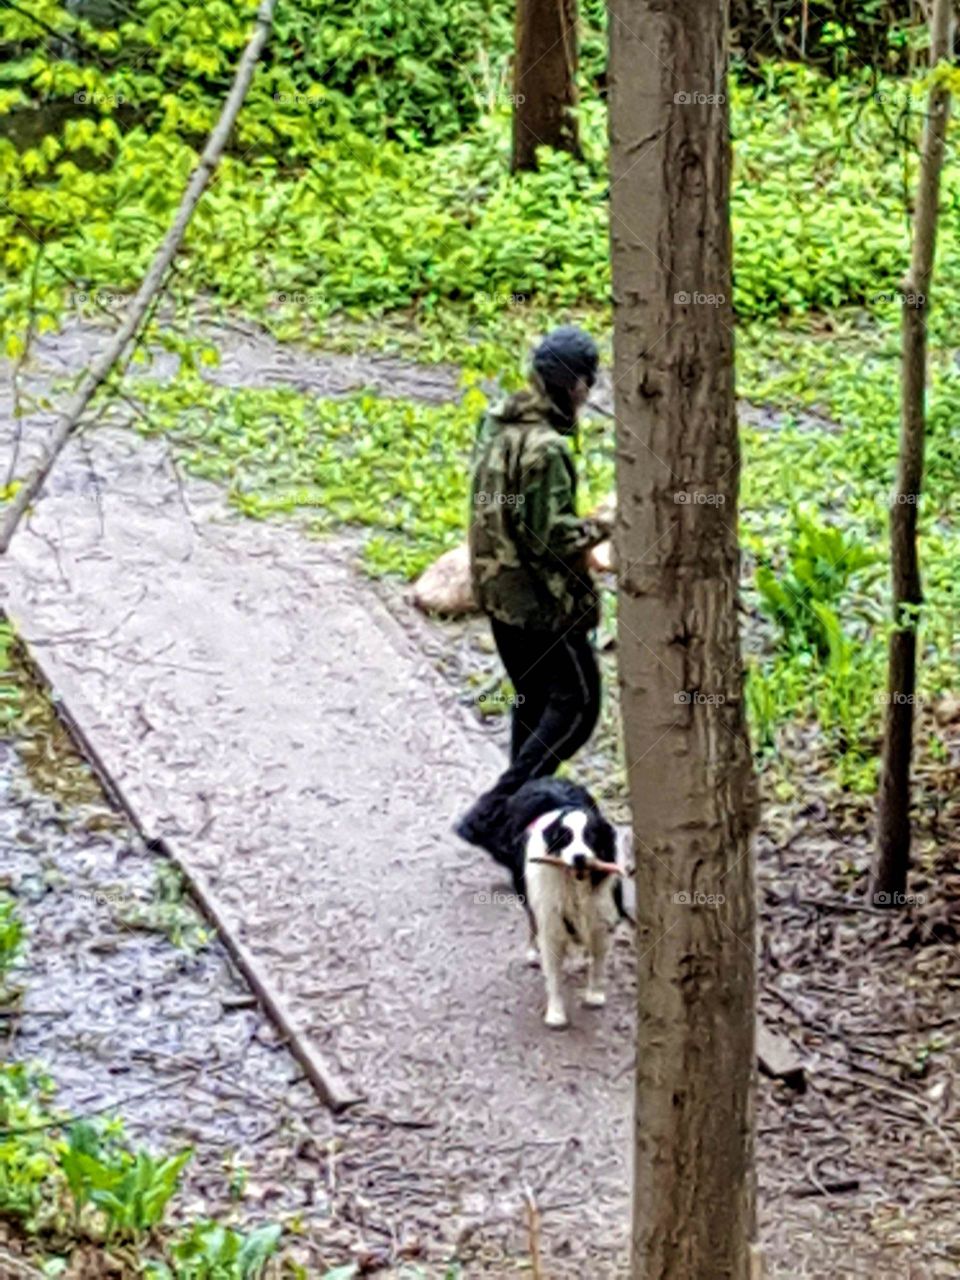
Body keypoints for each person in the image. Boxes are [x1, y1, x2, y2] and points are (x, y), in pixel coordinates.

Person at [455, 325, 612, 855]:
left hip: (497, 593)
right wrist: (605, 525)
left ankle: (516, 825)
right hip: (538, 603)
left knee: (532, 703)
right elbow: (550, 538)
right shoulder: (546, 450)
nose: (588, 397)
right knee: (577, 707)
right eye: (587, 385)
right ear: (574, 386)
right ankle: (494, 812)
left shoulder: (499, 425)